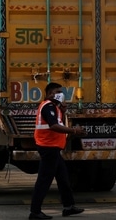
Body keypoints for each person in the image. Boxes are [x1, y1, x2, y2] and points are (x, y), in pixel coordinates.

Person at [29, 82, 87, 219]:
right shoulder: (48, 106)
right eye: (58, 92)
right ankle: (35, 211)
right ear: (50, 94)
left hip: (53, 147)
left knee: (63, 178)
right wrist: (74, 130)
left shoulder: (55, 107)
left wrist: (63, 110)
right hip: (48, 147)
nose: (61, 94)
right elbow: (54, 126)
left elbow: (59, 123)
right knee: (44, 180)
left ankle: (68, 206)